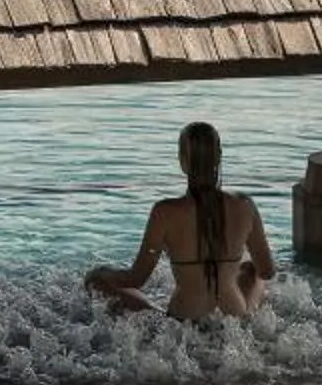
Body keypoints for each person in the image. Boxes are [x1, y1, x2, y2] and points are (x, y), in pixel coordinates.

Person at [86, 122, 275, 322]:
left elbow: (137, 278)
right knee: (251, 269)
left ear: (183, 162)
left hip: (183, 324)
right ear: (219, 156)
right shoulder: (245, 205)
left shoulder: (164, 212)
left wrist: (104, 273)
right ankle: (248, 313)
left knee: (96, 282)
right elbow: (268, 270)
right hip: (233, 320)